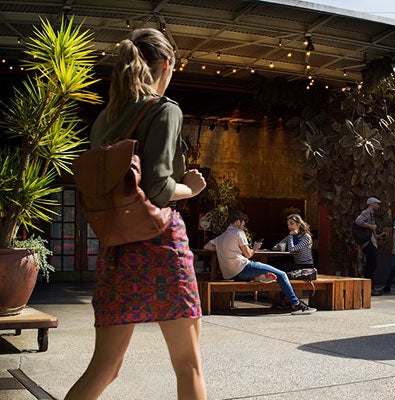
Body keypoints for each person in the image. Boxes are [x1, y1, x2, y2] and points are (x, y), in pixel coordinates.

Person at [66, 28, 208, 399]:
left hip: (118, 250)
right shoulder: (164, 109)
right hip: (161, 245)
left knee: (104, 368)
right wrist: (191, 188)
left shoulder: (105, 119)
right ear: (166, 64)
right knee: (188, 365)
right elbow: (159, 189)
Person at [203, 210, 316, 314]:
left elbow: (207, 246)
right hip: (243, 266)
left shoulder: (221, 237)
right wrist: (255, 247)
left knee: (275, 271)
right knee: (282, 274)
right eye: (243, 223)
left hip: (230, 274)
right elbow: (248, 254)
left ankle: (260, 277)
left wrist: (225, 249)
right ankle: (297, 304)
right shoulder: (238, 232)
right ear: (238, 222)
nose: (244, 226)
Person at [355, 197, 386, 296]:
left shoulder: (371, 214)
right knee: (372, 265)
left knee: (372, 265)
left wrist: (378, 236)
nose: (378, 206)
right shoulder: (366, 212)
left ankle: (369, 288)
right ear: (372, 204)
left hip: (371, 241)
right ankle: (368, 289)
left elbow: (369, 232)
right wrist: (370, 226)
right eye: (376, 204)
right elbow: (358, 221)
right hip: (368, 244)